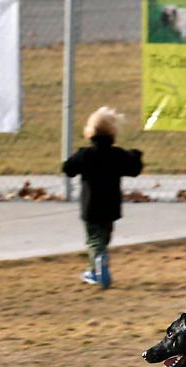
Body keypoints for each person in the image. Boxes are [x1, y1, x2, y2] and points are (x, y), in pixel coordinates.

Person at [62, 106, 143, 289]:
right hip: (111, 205)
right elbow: (134, 169)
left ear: (90, 133)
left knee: (93, 239)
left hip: (90, 206)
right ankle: (95, 267)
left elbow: (68, 169)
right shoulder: (117, 155)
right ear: (113, 133)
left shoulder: (85, 155)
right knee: (104, 236)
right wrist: (136, 155)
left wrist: (73, 160)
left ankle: (97, 262)